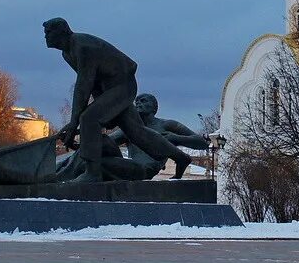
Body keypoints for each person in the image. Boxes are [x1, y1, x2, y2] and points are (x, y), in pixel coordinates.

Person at [43, 17, 191, 182]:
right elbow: (92, 82)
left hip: (122, 85)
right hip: (109, 88)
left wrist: (75, 121)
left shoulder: (81, 46)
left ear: (61, 32)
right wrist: (92, 113)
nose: (45, 37)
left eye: (48, 32)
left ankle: (92, 173)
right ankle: (181, 158)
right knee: (137, 132)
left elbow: (83, 85)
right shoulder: (67, 53)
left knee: (89, 119)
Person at [107, 94, 210, 178]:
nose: (138, 103)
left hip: (146, 169)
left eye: (143, 101)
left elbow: (202, 143)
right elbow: (106, 142)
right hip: (132, 167)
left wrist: (175, 138)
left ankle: (182, 159)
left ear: (154, 107)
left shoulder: (167, 125)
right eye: (136, 102)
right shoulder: (129, 129)